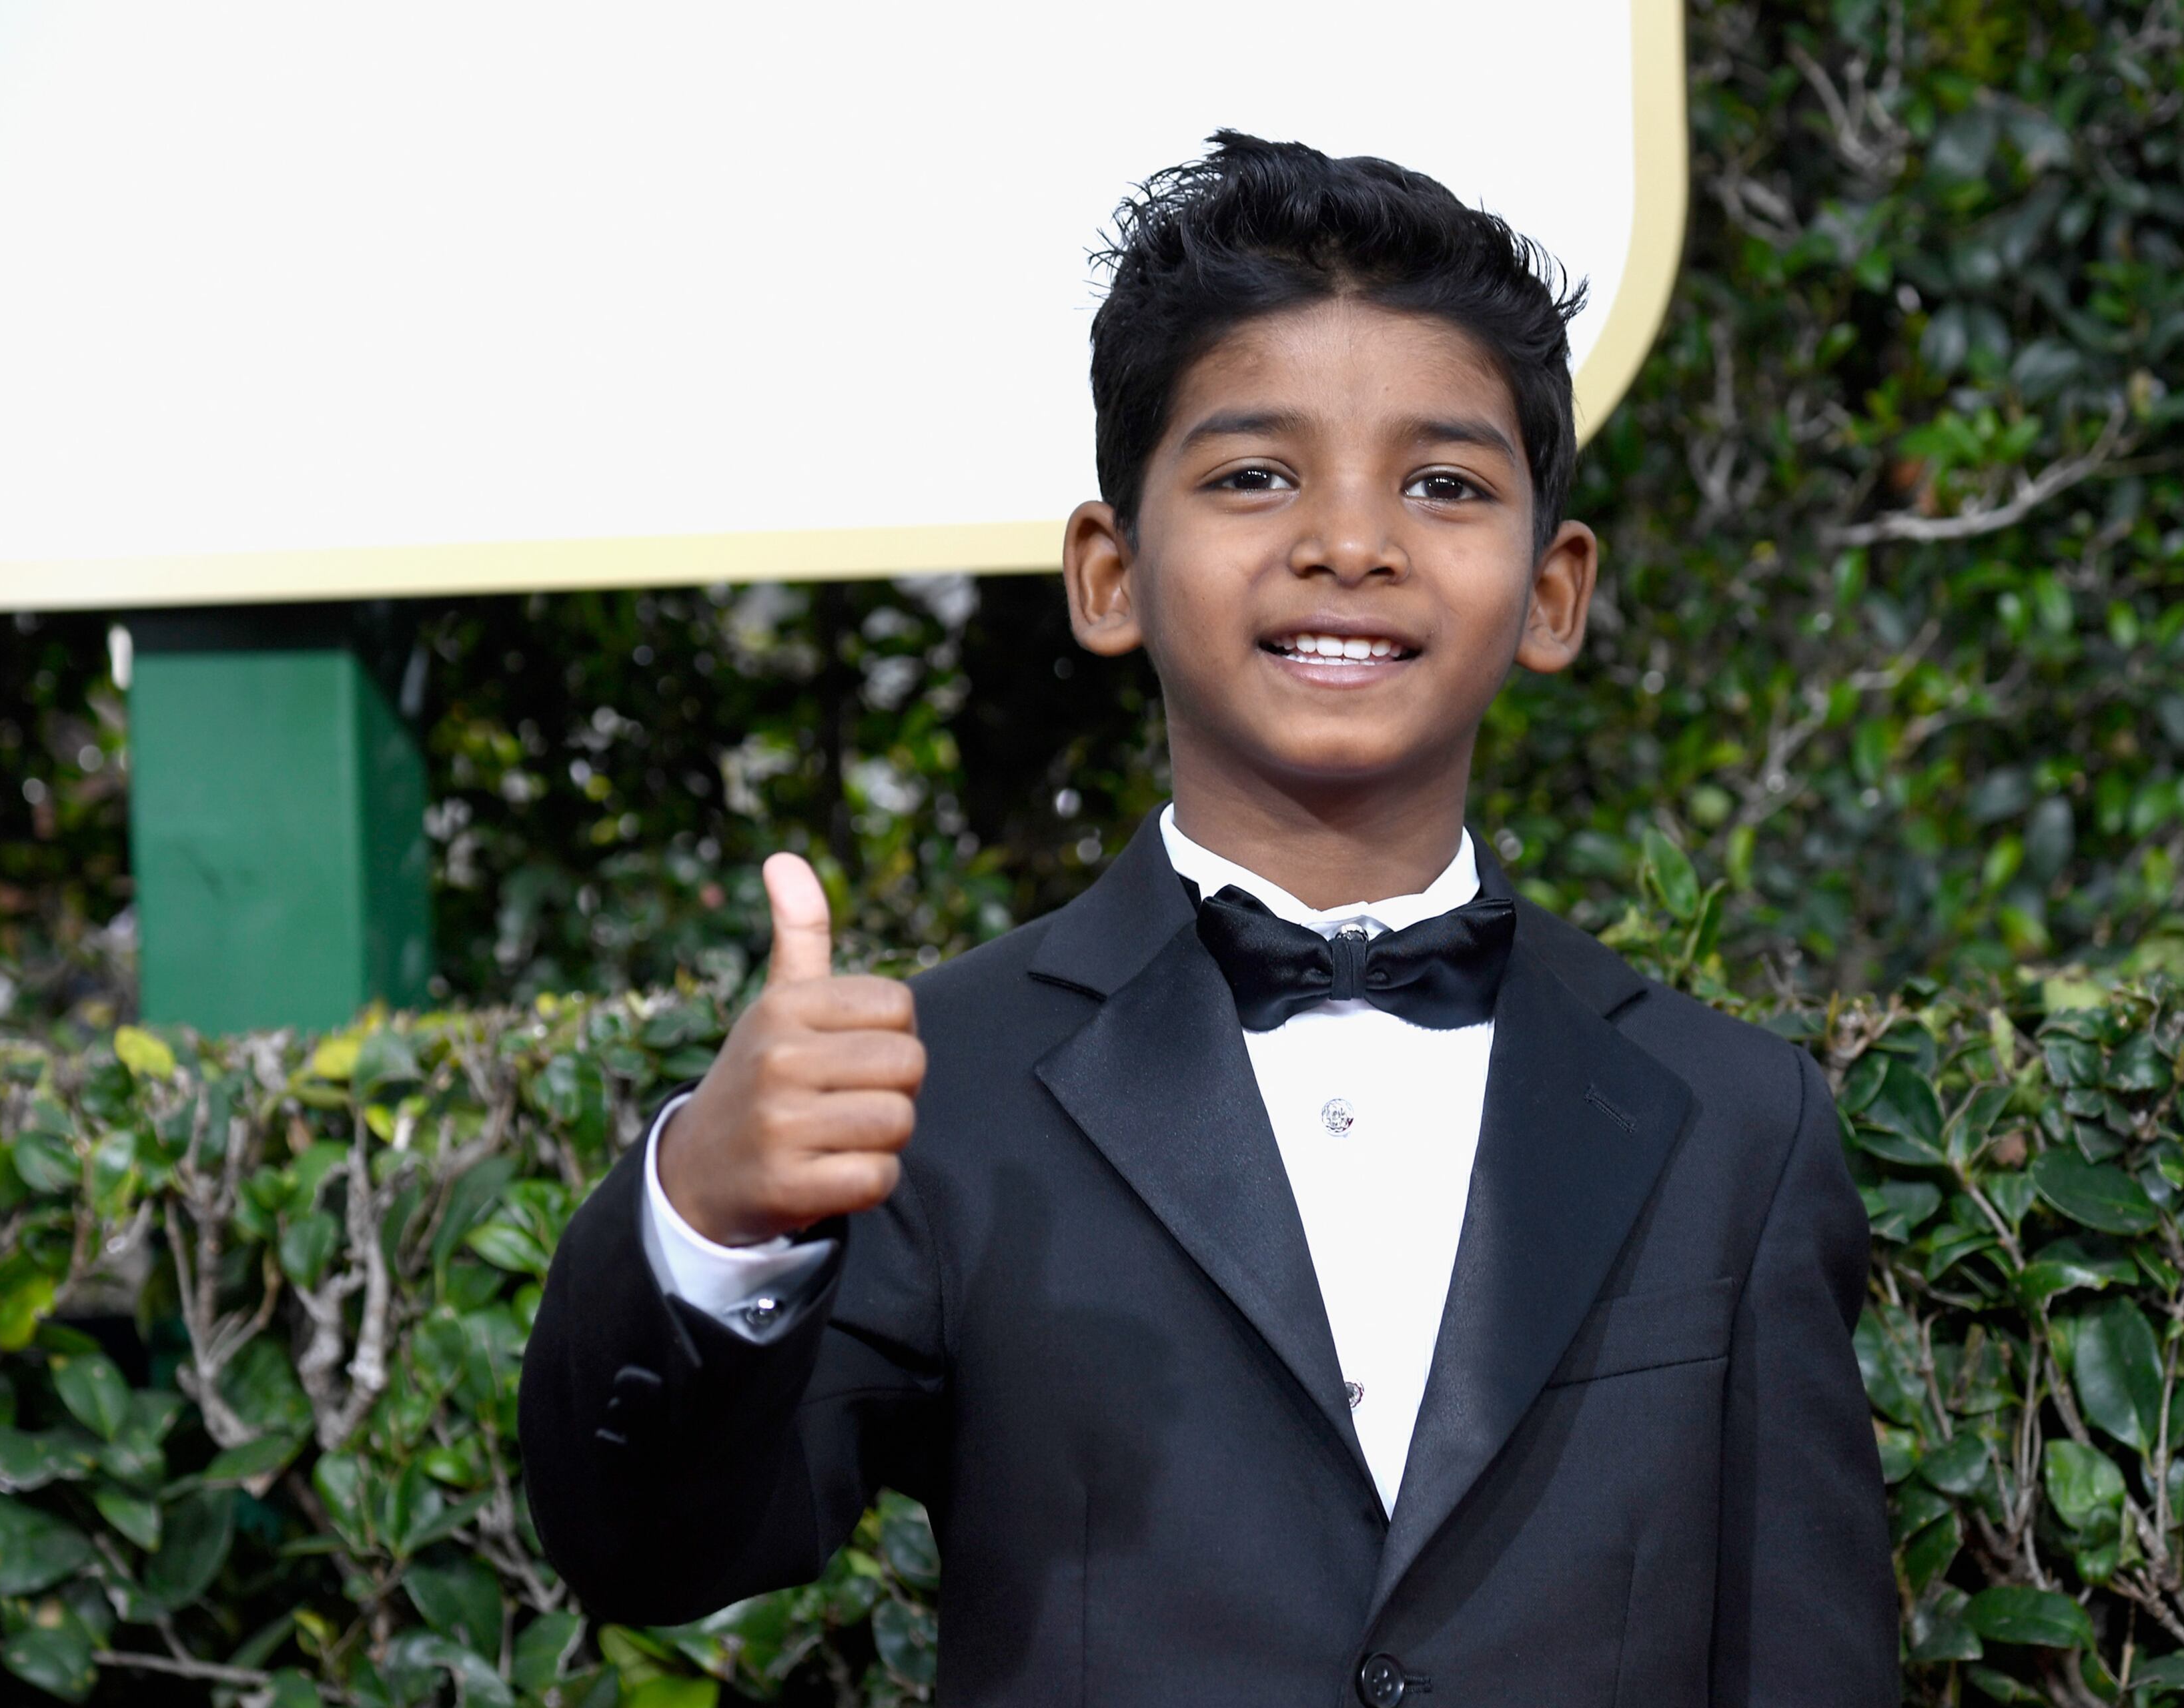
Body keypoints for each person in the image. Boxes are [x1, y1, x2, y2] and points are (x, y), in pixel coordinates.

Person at [521, 131, 1898, 1705]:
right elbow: (654, 1551)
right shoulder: (943, 1088)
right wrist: (706, 1210)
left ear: (1551, 591)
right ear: (1109, 574)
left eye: (1444, 483)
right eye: (1255, 474)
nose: (1350, 543)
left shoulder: (1735, 1117)